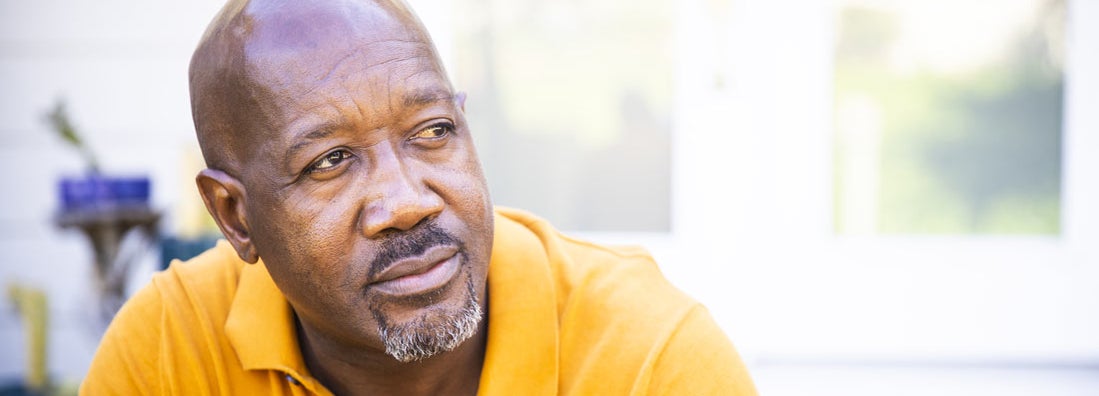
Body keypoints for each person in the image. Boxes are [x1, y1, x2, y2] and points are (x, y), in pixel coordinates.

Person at [81, 0, 757, 394]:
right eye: (330, 161)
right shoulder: (170, 352)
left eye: (432, 131)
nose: (406, 203)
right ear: (234, 216)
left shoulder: (646, 360)